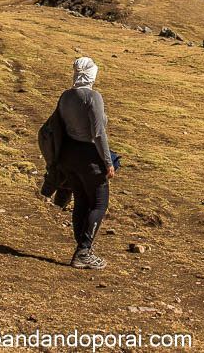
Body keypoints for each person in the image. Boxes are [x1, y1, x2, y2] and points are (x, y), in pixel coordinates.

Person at [56, 56, 114, 269]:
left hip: (69, 154)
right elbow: (99, 133)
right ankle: (83, 251)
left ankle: (83, 248)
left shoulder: (66, 96)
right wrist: (107, 161)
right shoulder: (93, 97)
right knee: (99, 203)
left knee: (81, 201)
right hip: (89, 154)